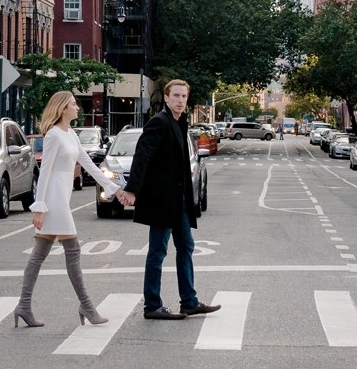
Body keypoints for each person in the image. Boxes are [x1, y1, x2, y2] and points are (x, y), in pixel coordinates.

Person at [14, 91, 122, 328]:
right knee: (72, 250)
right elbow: (45, 172)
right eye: (73, 104)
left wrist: (114, 188)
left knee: (39, 254)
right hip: (53, 199)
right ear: (63, 109)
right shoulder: (53, 135)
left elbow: (89, 165)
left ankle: (23, 305)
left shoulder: (70, 134)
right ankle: (86, 305)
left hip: (61, 196)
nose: (77, 108)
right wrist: (40, 207)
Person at [119, 79, 220, 321]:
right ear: (166, 98)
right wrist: (132, 190)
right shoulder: (159, 122)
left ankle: (189, 302)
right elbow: (142, 156)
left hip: (180, 203)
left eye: (184, 96)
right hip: (162, 201)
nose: (180, 100)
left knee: (186, 247)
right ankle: (152, 305)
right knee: (157, 252)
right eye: (175, 96)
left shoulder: (180, 122)